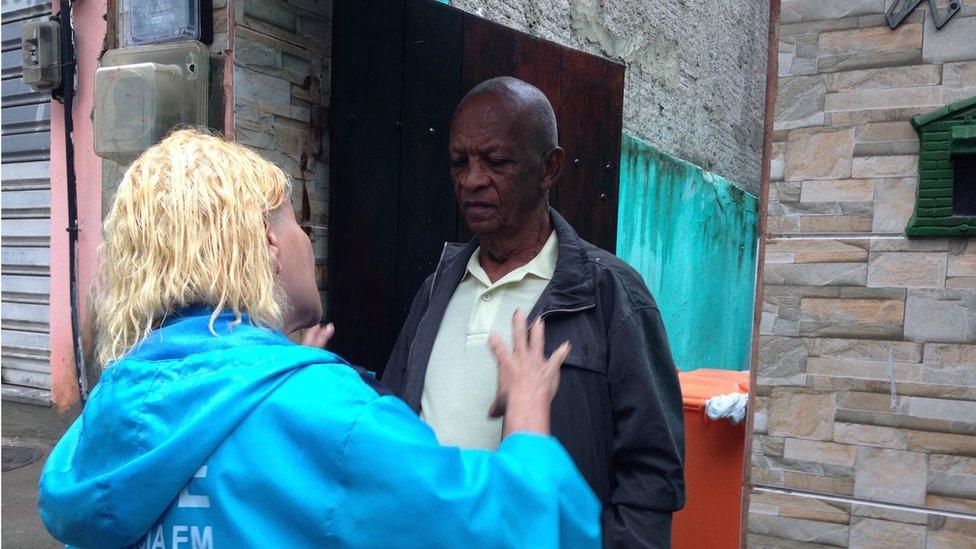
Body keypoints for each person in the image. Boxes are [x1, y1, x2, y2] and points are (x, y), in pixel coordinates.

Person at [38, 129, 601, 548]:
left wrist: (271, 381)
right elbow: (507, 528)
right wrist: (528, 417)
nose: (305, 239)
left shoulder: (108, 418)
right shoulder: (330, 416)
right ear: (268, 242)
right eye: (294, 221)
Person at [382, 77, 685, 548]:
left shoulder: (610, 294)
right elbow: (395, 419)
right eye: (459, 162)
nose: (471, 180)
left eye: (496, 161)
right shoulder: (437, 288)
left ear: (549, 168)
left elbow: (651, 472)